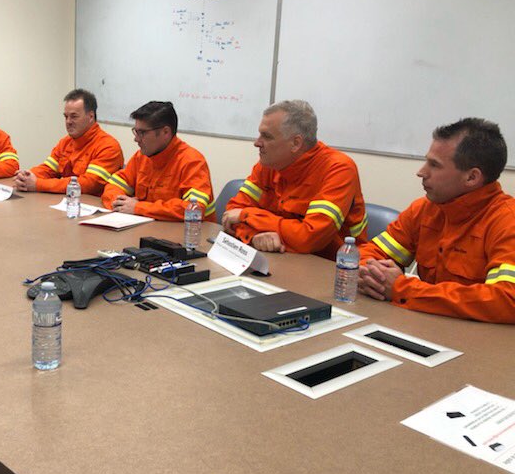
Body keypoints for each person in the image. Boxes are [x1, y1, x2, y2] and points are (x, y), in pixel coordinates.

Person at [358, 118, 515, 323]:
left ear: (472, 178)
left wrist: (404, 289)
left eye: (434, 165)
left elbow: (507, 299)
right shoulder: (425, 208)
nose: (421, 172)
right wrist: (374, 275)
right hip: (427, 325)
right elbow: (370, 253)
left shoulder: (507, 221)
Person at [222, 100, 367, 259]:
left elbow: (310, 238)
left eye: (267, 136)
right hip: (281, 257)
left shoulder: (338, 169)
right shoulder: (269, 164)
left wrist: (248, 216)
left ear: (296, 143)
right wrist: (253, 235)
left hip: (332, 265)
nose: (257, 143)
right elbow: (231, 214)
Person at [101, 101, 216, 221]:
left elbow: (194, 209)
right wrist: (119, 203)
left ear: (165, 132)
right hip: (149, 226)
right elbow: (113, 185)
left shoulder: (192, 161)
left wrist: (138, 208)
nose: (136, 139)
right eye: (136, 131)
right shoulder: (142, 156)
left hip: (189, 231)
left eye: (142, 133)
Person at [13, 89, 123, 196]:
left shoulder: (108, 146)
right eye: (66, 117)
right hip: (68, 201)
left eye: (74, 116)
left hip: (93, 205)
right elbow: (48, 169)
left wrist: (38, 184)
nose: (68, 121)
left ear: (90, 116)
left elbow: (88, 184)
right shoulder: (65, 142)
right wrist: (26, 176)